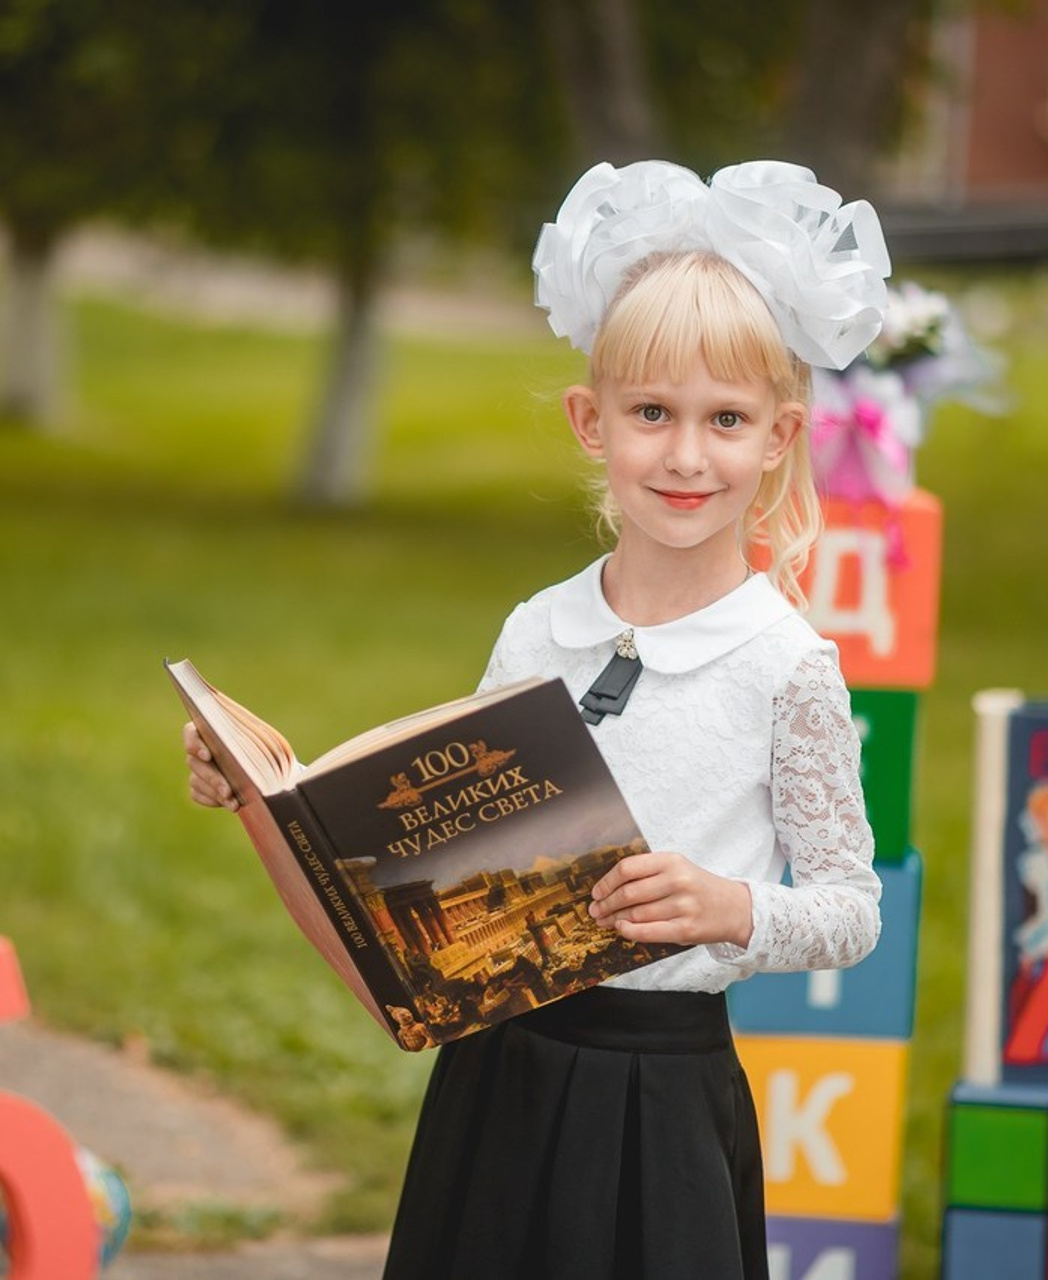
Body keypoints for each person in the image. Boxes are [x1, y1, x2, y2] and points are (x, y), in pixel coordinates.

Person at [185, 159, 887, 1280]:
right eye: (650, 413)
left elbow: (852, 908)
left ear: (777, 435)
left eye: (724, 419)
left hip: (659, 1094)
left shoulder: (783, 664)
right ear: (589, 420)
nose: (685, 453)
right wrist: (271, 797)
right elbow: (449, 836)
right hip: (499, 1075)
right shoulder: (537, 627)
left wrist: (729, 906)